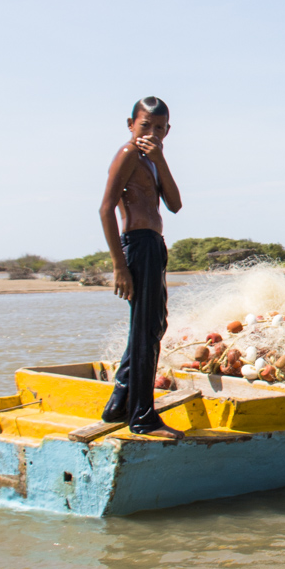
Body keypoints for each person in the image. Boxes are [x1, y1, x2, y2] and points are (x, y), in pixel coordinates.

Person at [99, 96, 184, 435]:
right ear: (130, 124)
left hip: (154, 244)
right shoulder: (128, 154)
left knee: (154, 326)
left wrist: (160, 158)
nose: (152, 133)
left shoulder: (151, 160)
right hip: (137, 245)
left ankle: (119, 403)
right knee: (145, 332)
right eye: (145, 125)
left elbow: (175, 204)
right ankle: (143, 417)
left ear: (168, 131)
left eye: (159, 128)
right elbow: (105, 209)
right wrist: (119, 267)